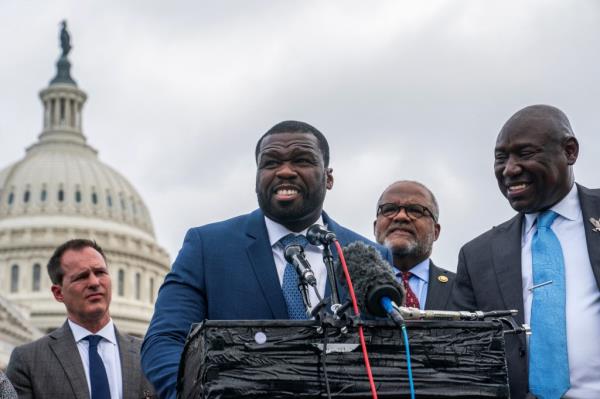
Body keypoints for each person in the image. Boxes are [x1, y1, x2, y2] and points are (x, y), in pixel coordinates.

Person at [141, 120, 392, 399]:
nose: (285, 171)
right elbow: (165, 341)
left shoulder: (369, 257)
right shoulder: (207, 248)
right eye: (271, 163)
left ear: (328, 177)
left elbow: (390, 351)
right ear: (257, 177)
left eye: (301, 160)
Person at [451, 105, 600, 399]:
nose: (509, 169)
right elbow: (463, 360)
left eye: (525, 154)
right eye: (501, 158)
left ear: (570, 151)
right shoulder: (477, 256)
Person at [6, 239, 154, 399]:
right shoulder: (28, 360)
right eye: (81, 277)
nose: (94, 282)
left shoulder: (149, 355)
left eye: (100, 272)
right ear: (58, 293)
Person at [374, 181, 455, 310]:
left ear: (436, 231)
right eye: (389, 209)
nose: (401, 216)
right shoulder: (349, 286)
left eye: (415, 210)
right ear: (375, 227)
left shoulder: (461, 288)